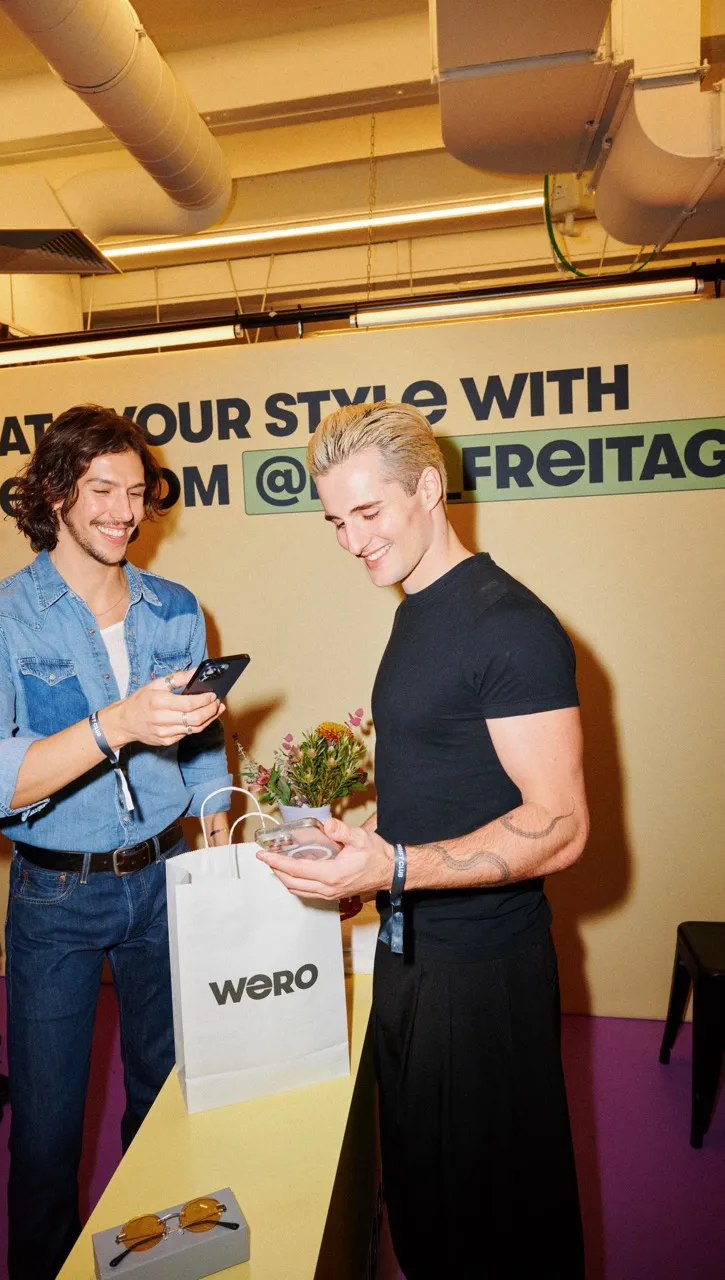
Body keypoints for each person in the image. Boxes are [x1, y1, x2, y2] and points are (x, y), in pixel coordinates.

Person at [258, 401, 588, 1279]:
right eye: (335, 520)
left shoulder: (508, 624)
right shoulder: (415, 607)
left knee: (492, 1225)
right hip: (413, 952)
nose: (351, 539)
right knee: (426, 1207)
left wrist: (397, 864)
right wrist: (365, 848)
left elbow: (560, 825)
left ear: (429, 488)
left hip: (481, 976)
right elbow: (449, 784)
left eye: (368, 513)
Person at [0, 404, 232, 1280]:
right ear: (55, 494)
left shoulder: (176, 607)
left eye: (137, 493)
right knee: (45, 1133)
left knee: (165, 1104)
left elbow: (201, 746)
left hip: (164, 878)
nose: (122, 511)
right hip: (55, 897)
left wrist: (215, 811)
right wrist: (115, 724)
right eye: (101, 489)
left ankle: (163, 1267)